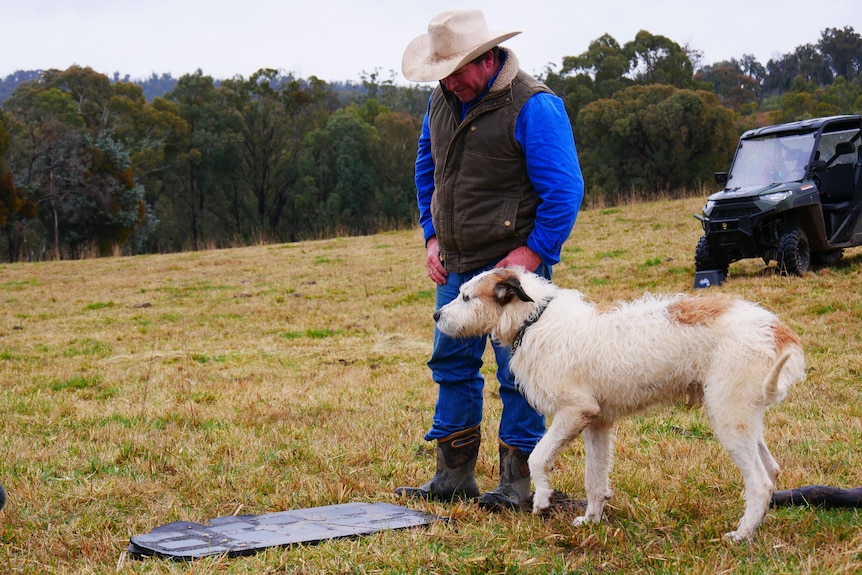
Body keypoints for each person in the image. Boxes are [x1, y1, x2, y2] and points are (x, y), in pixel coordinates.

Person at [395, 9, 584, 511]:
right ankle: (453, 476)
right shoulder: (441, 99)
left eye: (456, 70)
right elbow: (425, 168)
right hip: (454, 263)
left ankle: (520, 484)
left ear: (486, 58)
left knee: (519, 372)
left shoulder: (534, 105)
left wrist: (533, 253)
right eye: (442, 71)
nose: (449, 81)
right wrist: (432, 237)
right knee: (450, 363)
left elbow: (565, 191)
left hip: (509, 273)